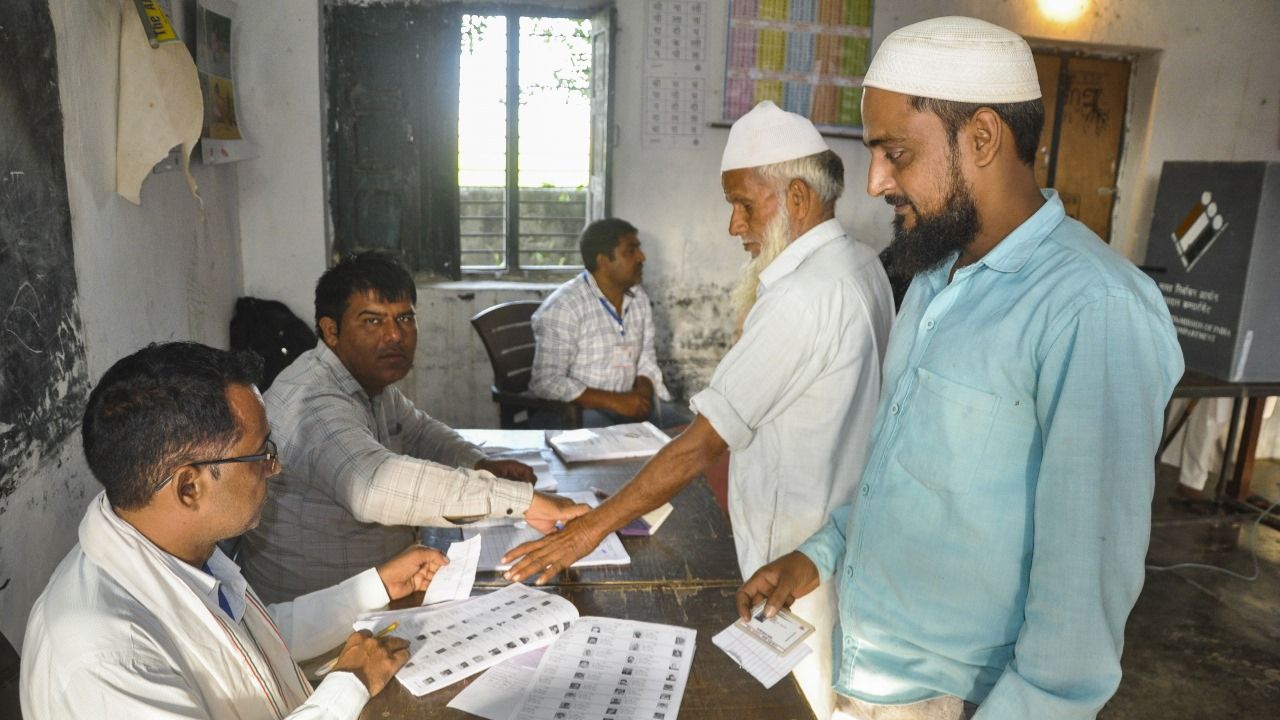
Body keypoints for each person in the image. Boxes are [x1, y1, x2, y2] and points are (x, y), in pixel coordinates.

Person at [736, 17, 1184, 720]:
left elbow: (1083, 593)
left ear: (981, 138)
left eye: (896, 152)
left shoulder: (1092, 307)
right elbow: (909, 480)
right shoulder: (936, 277)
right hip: (869, 672)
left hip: (969, 698)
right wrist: (819, 554)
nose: (877, 180)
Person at [502, 100, 895, 718]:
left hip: (796, 547)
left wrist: (587, 529)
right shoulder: (861, 264)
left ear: (796, 197)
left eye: (745, 204)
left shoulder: (803, 295)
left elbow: (702, 444)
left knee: (798, 699)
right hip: (838, 537)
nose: (735, 226)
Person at [21, 342, 445, 719]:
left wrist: (375, 587)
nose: (274, 467)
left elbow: (247, 642)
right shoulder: (105, 657)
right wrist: (348, 684)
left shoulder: (173, 545)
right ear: (190, 487)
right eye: (260, 454)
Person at [239, 251, 586, 602]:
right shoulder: (313, 400)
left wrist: (480, 464)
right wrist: (523, 502)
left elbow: (419, 432)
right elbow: (373, 486)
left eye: (405, 318)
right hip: (323, 618)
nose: (394, 335)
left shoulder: (366, 381)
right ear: (332, 331)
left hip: (385, 584)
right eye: (372, 321)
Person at [529, 218, 691, 428]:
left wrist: (642, 394)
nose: (642, 257)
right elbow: (546, 381)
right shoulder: (565, 306)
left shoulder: (638, 298)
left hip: (627, 405)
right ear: (603, 261)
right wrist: (615, 401)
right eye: (631, 251)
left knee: (687, 433)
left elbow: (645, 358)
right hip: (577, 411)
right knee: (616, 442)